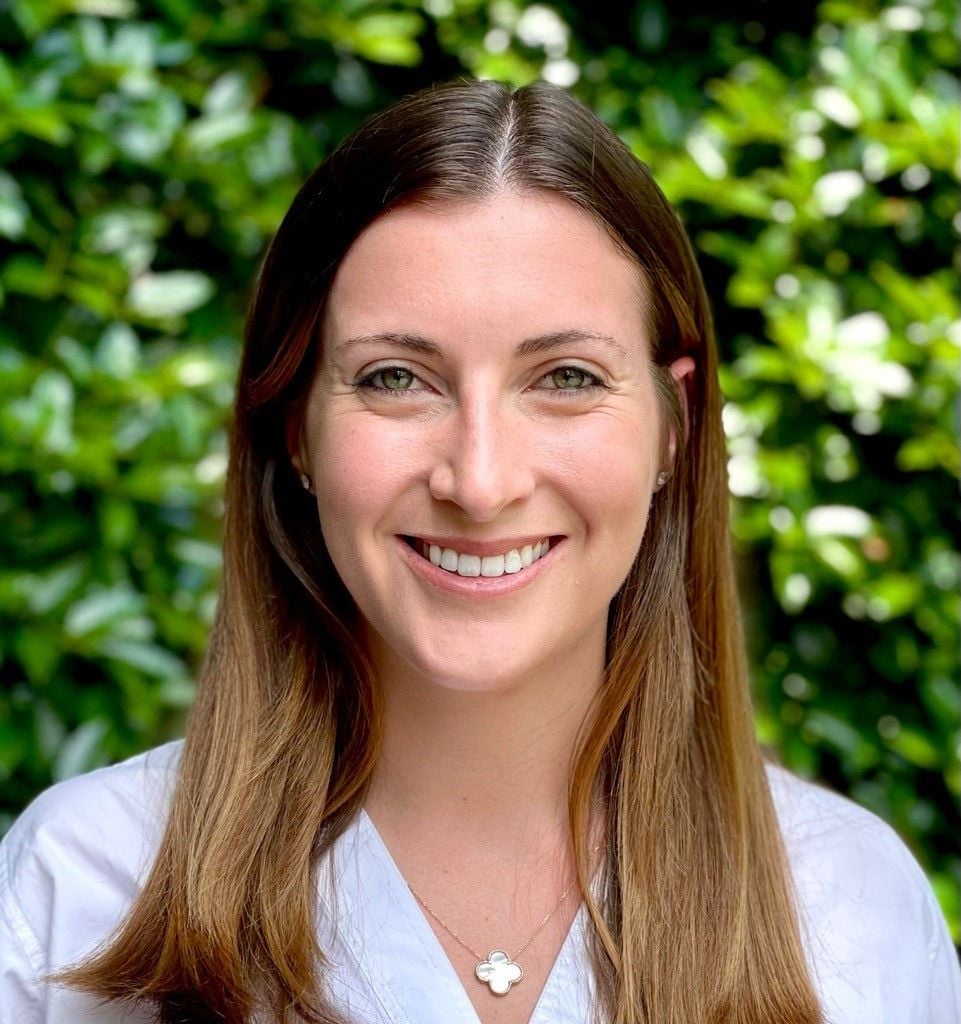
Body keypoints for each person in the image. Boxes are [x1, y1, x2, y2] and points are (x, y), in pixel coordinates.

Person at [0, 76, 958, 1024]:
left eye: (566, 377)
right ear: (296, 427)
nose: (481, 479)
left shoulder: (853, 912)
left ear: (675, 428)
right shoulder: (76, 890)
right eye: (396, 379)